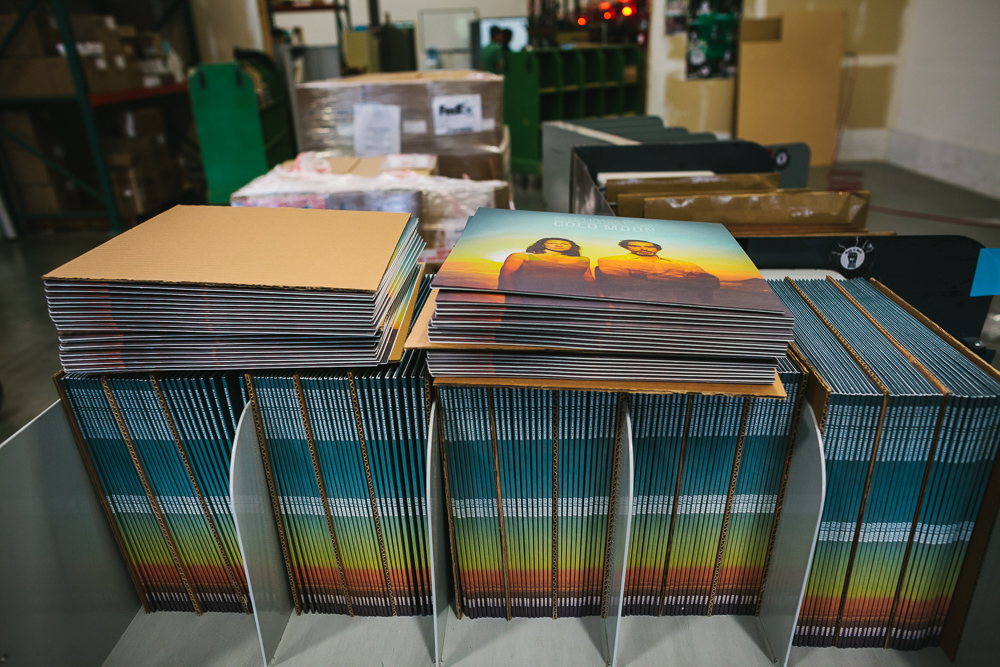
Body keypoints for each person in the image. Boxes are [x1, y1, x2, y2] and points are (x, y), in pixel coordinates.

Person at [596, 239, 720, 303]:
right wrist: (683, 279)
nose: (643, 249)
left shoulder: (684, 264)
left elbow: (712, 282)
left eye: (649, 246)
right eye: (636, 246)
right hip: (636, 303)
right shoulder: (610, 260)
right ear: (626, 247)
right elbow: (624, 283)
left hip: (685, 302)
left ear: (657, 249)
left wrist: (646, 277)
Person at [498, 238, 598, 297]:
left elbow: (589, 279)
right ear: (542, 244)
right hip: (532, 297)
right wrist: (511, 297)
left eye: (565, 243)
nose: (559, 245)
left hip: (574, 298)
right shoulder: (520, 256)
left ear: (571, 246)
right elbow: (506, 276)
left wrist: (597, 299)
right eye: (552, 242)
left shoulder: (583, 259)